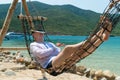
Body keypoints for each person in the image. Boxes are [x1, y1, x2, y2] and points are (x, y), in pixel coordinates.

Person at [30, 20, 112, 70]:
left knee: (81, 52)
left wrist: (55, 49)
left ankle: (102, 37)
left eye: (42, 33)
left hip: (58, 60)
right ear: (33, 35)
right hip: (49, 65)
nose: (42, 34)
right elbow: (41, 54)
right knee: (67, 48)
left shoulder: (49, 43)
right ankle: (98, 34)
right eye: (39, 33)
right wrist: (54, 48)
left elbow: (58, 52)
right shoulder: (33, 44)